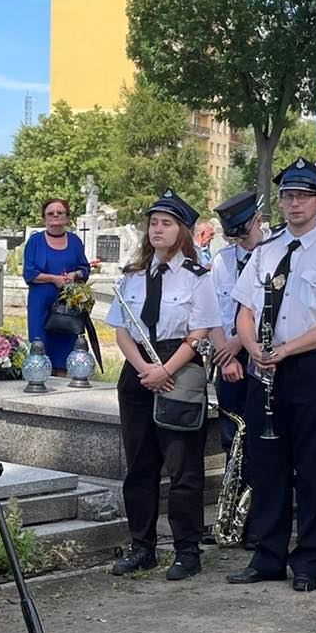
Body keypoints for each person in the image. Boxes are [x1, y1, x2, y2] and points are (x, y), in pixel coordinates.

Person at [230, 158, 316, 592]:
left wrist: (287, 349)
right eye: (288, 196)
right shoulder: (265, 252)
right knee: (267, 465)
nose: (294, 204)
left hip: (309, 367)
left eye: (303, 196)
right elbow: (245, 310)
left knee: (312, 466)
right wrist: (252, 347)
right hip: (264, 368)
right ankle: (268, 556)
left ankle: (309, 560)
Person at [109, 192, 216, 582]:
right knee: (140, 465)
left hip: (179, 367)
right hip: (138, 370)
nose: (157, 229)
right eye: (153, 222)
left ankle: (187, 550)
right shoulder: (133, 275)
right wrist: (144, 369)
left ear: (181, 230)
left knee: (182, 466)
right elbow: (122, 329)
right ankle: (142, 547)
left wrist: (165, 370)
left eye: (166, 223)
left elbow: (200, 332)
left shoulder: (197, 277)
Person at [207, 191, 266, 454]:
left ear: (258, 220)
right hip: (227, 356)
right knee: (231, 431)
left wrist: (239, 342)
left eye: (245, 233)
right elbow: (212, 312)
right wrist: (226, 356)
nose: (241, 241)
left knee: (262, 433)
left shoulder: (274, 255)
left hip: (263, 353)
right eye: (235, 237)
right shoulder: (223, 260)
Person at [23, 197, 92, 375]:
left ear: (67, 217)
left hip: (67, 307)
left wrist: (74, 275)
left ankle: (62, 382)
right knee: (40, 347)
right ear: (44, 218)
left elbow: (84, 268)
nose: (55, 216)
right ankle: (39, 379)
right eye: (50, 213)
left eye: (60, 213)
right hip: (41, 305)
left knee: (65, 348)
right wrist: (53, 279)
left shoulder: (75, 242)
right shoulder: (35, 242)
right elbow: (29, 273)